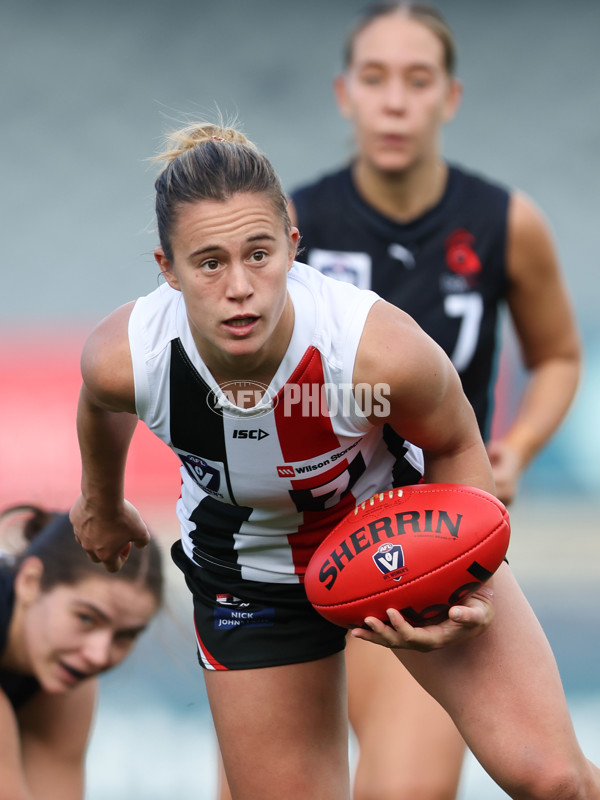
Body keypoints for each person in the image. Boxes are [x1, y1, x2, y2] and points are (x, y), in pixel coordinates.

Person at [69, 120, 599, 800]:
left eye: (258, 254)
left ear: (293, 246)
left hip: (395, 543)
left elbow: (456, 442)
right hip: (247, 575)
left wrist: (469, 583)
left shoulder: (374, 350)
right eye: (209, 263)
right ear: (167, 270)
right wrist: (103, 501)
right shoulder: (126, 357)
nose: (239, 286)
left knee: (553, 780)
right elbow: (102, 403)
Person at [283, 3, 582, 799]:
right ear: (345, 94)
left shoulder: (505, 222)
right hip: (303, 538)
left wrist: (512, 448)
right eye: (375, 79)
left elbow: (556, 355)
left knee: (431, 785)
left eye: (418, 81)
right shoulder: (292, 227)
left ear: (449, 98)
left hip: (429, 534)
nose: (394, 100)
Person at [0, 503, 163, 800]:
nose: (98, 655)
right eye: (86, 618)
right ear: (30, 582)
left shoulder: (69, 678)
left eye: (125, 635)